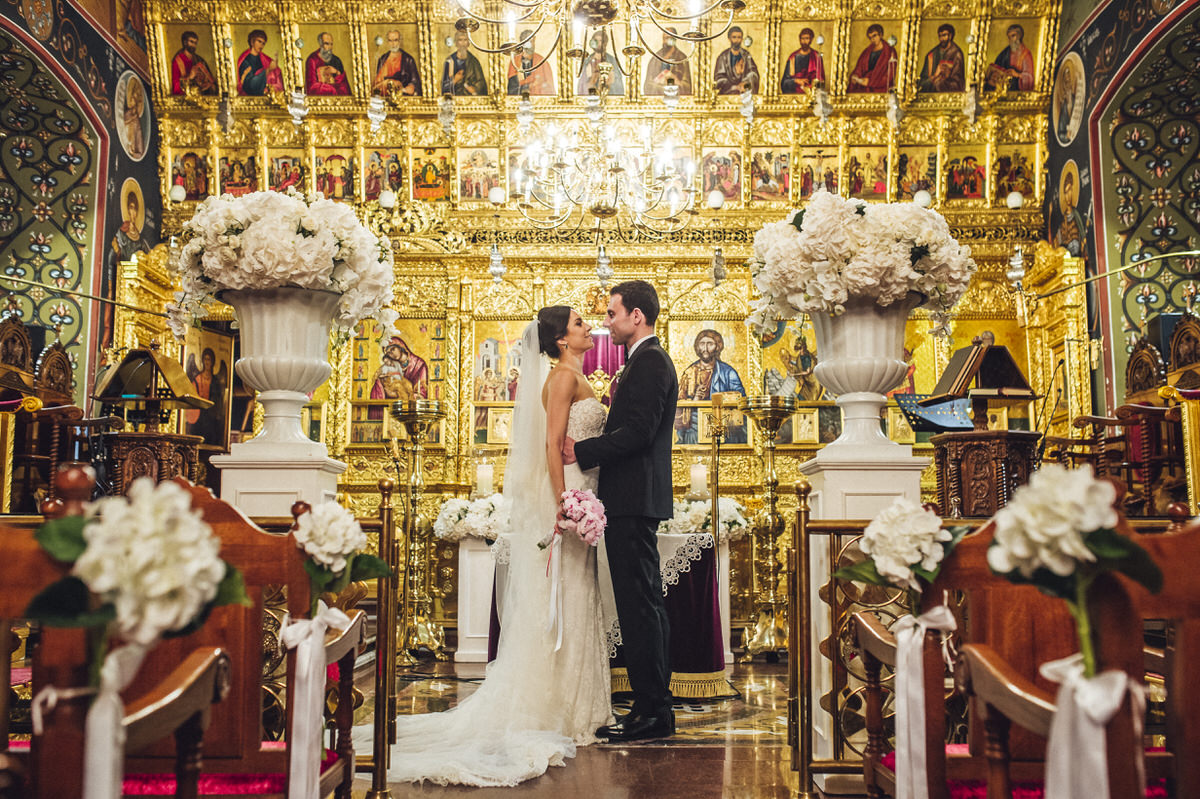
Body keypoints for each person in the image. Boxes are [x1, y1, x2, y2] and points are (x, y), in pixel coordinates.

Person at [372, 307, 613, 785]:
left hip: (582, 486)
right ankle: (560, 709)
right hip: (569, 490)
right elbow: (551, 443)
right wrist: (563, 499)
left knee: (575, 594)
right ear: (563, 340)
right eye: (580, 324)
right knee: (562, 595)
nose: (588, 329)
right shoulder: (563, 378)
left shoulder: (571, 374)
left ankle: (576, 704)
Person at [564, 280, 679, 743]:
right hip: (630, 499)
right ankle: (649, 708)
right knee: (638, 605)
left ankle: (655, 712)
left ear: (636, 316)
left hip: (634, 499)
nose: (606, 322)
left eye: (612, 313)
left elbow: (638, 433)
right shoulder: (642, 361)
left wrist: (582, 450)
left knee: (641, 606)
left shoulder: (651, 362)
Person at [675, 329, 746, 444]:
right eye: (702, 344)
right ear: (697, 347)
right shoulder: (689, 373)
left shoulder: (728, 373)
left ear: (718, 347)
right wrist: (695, 400)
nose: (705, 349)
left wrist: (721, 398)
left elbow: (740, 399)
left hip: (724, 426)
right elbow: (678, 403)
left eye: (710, 344)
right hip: (694, 429)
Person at [985, 23, 1035, 91]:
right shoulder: (1005, 53)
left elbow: (1030, 78)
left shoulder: (1026, 55)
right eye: (1009, 37)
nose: (1011, 39)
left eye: (1013, 36)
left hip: (1016, 89)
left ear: (1019, 36)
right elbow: (996, 67)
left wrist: (1017, 74)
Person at [643, 27, 692, 96]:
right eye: (664, 38)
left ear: (674, 39)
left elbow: (687, 87)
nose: (665, 41)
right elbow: (647, 86)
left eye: (668, 38)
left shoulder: (682, 59)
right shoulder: (655, 58)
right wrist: (660, 83)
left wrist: (675, 80)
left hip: (678, 98)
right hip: (657, 99)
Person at [847, 24, 895, 93]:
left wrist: (870, 82)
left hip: (880, 89)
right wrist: (855, 76)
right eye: (870, 37)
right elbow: (859, 68)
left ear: (881, 35)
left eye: (874, 36)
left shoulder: (890, 52)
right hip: (864, 86)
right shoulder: (867, 52)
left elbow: (889, 75)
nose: (872, 39)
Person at [917, 23, 965, 93]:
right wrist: (934, 77)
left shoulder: (956, 54)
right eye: (940, 36)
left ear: (950, 36)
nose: (942, 39)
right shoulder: (931, 55)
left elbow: (958, 83)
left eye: (944, 35)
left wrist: (946, 76)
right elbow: (921, 83)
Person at [374, 29, 422, 96]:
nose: (393, 44)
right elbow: (376, 85)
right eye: (390, 40)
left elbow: (415, 83)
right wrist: (387, 82)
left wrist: (406, 89)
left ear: (400, 41)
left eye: (395, 40)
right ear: (387, 42)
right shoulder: (382, 59)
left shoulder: (408, 59)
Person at [713, 26, 759, 94]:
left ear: (742, 39)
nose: (737, 40)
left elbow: (754, 74)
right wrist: (734, 86)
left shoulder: (746, 55)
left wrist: (745, 81)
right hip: (728, 93)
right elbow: (719, 79)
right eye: (734, 37)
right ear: (729, 39)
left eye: (739, 37)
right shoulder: (723, 57)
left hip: (744, 91)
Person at [237, 29, 283, 96]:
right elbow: (249, 85)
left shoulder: (265, 59)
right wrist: (268, 70)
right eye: (259, 41)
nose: (261, 45)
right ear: (252, 42)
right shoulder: (245, 61)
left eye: (263, 43)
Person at [441, 29, 487, 96]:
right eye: (460, 40)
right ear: (456, 43)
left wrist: (474, 89)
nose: (462, 43)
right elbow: (443, 88)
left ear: (468, 43)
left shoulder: (474, 61)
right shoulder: (450, 60)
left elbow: (481, 83)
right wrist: (454, 80)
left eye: (465, 40)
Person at [170, 31, 217, 95]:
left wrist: (210, 85)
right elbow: (175, 87)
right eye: (191, 42)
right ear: (185, 42)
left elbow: (210, 80)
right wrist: (189, 77)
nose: (194, 45)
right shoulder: (178, 61)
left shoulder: (199, 59)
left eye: (195, 43)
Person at [780, 28, 825, 94]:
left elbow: (821, 80)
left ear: (811, 40)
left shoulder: (816, 57)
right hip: (795, 94)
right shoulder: (793, 58)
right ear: (799, 39)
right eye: (802, 38)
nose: (804, 41)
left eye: (807, 38)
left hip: (811, 94)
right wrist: (796, 81)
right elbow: (784, 82)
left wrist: (812, 85)